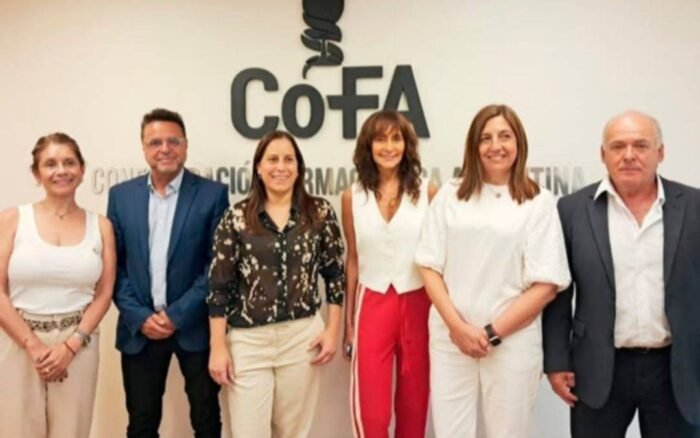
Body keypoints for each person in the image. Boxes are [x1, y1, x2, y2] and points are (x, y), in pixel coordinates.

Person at [415, 104, 571, 438]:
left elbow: (546, 285)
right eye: (485, 138)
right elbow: (428, 265)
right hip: (450, 340)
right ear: (473, 145)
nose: (495, 145)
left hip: (511, 342)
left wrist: (490, 334)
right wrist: (458, 328)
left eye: (504, 136)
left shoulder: (538, 201)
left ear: (519, 142)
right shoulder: (450, 195)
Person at [543, 110, 700, 438]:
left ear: (660, 152)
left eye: (640, 145)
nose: (629, 155)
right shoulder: (572, 210)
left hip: (676, 369)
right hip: (598, 367)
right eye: (618, 146)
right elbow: (558, 294)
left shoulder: (694, 206)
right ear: (603, 154)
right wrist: (556, 361)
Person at [207, 130, 345, 438]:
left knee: (292, 433)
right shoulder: (237, 217)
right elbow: (219, 287)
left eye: (288, 159)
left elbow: (335, 275)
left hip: (301, 338)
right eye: (272, 159)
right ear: (258, 167)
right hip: (248, 342)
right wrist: (218, 346)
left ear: (298, 167)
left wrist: (332, 330)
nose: (280, 167)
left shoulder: (319, 213)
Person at [107, 108, 229, 438]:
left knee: (206, 421)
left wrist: (176, 315)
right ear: (144, 148)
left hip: (194, 326)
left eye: (173, 141)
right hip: (140, 330)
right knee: (141, 424)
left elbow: (216, 266)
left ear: (185, 145)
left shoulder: (213, 195)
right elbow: (114, 266)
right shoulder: (121, 196)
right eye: (155, 142)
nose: (165, 149)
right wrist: (140, 316)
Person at [0, 133, 115, 437]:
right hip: (18, 340)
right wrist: (33, 345)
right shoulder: (12, 219)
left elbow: (104, 293)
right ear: (36, 173)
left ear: (82, 170)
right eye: (50, 164)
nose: (61, 170)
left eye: (69, 162)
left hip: (78, 344)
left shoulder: (101, 226)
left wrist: (71, 345)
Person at [341, 110, 436, 438]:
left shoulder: (428, 192)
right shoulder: (352, 197)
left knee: (414, 407)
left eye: (396, 138)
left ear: (407, 145)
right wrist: (349, 324)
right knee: (373, 415)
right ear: (368, 146)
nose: (389, 147)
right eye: (380, 139)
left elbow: (438, 258)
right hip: (372, 303)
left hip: (419, 301)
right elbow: (353, 260)